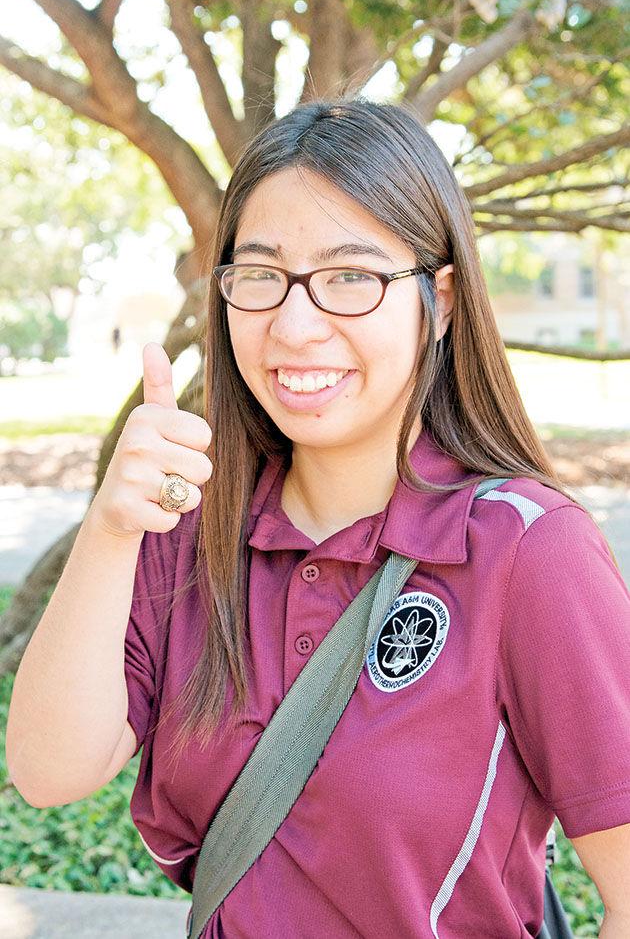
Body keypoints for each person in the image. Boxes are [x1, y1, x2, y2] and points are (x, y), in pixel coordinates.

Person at [7, 98, 630, 938]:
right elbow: (49, 772)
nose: (295, 326)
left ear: (439, 300)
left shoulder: (528, 549)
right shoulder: (191, 528)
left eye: (350, 277)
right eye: (261, 276)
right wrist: (113, 529)